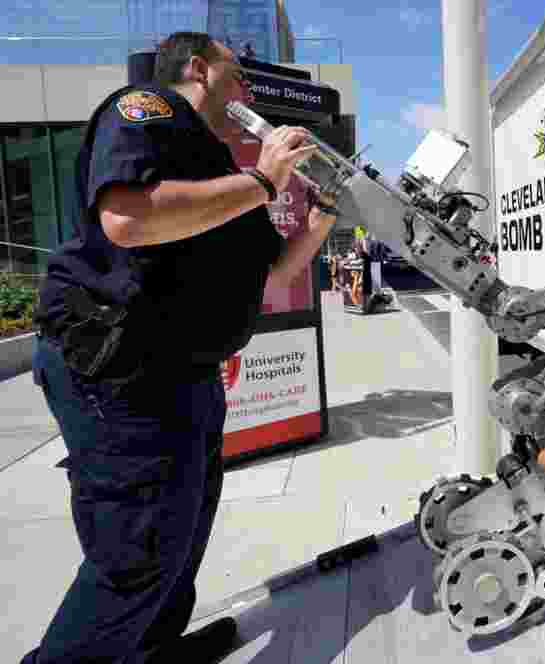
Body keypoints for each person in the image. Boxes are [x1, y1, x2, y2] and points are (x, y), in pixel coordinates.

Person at [24, 31, 339, 664]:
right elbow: (128, 219)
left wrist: (321, 220)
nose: (247, 89)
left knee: (184, 528)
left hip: (184, 375)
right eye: (239, 74)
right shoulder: (148, 111)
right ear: (198, 68)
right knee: (135, 554)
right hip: (119, 370)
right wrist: (261, 181)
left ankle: (151, 651)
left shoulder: (222, 166)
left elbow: (273, 273)